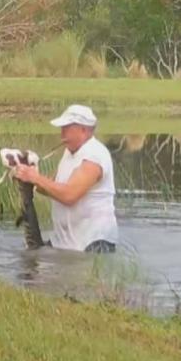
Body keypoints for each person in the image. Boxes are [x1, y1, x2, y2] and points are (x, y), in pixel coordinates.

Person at [13, 104, 118, 253]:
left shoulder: (94, 156)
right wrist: (29, 175)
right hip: (65, 243)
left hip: (92, 244)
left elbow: (69, 195)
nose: (62, 134)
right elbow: (51, 187)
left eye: (66, 128)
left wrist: (36, 178)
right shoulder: (70, 152)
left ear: (83, 129)